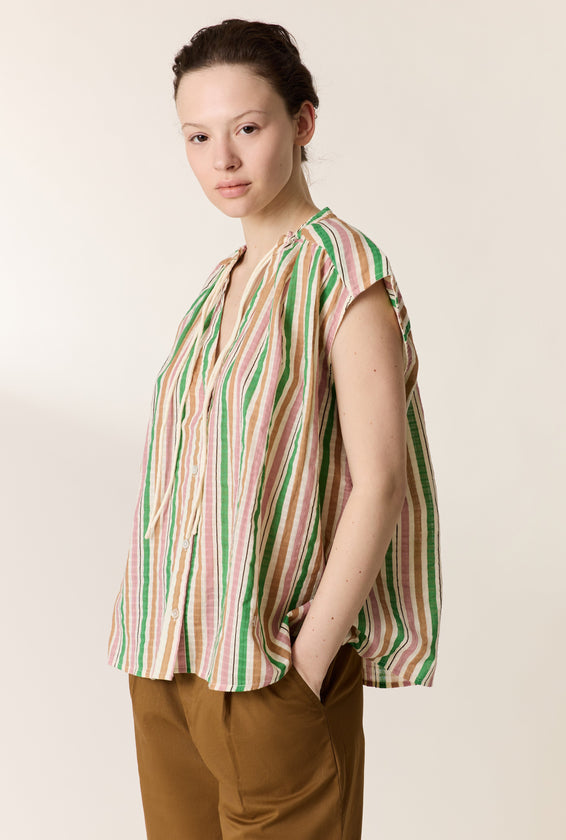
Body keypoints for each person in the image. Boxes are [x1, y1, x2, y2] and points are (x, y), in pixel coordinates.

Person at [107, 17, 442, 840]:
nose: (222, 159)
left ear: (303, 122)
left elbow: (382, 480)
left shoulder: (342, 268)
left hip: (267, 671)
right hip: (166, 661)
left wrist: (309, 661)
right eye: (198, 135)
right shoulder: (219, 287)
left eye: (248, 128)